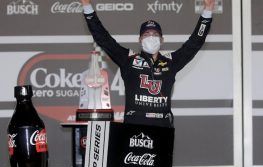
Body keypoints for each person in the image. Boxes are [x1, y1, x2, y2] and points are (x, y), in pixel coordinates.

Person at [80, 0, 215, 128]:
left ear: (162, 40)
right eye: (146, 34)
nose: (151, 37)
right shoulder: (129, 59)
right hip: (133, 128)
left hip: (162, 129)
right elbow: (103, 38)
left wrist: (207, 11)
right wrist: (87, 6)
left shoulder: (171, 61)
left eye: (155, 34)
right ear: (139, 40)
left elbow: (195, 43)